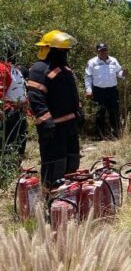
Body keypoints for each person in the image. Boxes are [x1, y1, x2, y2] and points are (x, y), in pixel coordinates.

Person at [27, 30, 82, 188]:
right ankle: (51, 200)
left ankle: (70, 197)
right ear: (49, 50)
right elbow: (36, 97)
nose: (64, 54)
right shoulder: (39, 68)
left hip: (69, 126)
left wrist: (78, 111)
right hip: (53, 128)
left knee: (72, 161)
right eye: (62, 51)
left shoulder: (65, 68)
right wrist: (46, 121)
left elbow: (71, 94)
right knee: (54, 165)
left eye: (66, 51)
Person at [84, 42, 125, 139]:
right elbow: (88, 77)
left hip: (112, 91)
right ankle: (100, 135)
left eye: (105, 50)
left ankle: (116, 134)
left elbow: (118, 73)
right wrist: (89, 90)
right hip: (98, 91)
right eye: (101, 51)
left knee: (114, 112)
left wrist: (123, 73)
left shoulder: (113, 60)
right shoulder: (92, 62)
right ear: (97, 51)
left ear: (107, 50)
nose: (103, 52)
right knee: (99, 113)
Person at [2, 42, 29, 161]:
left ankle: (17, 167)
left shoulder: (15, 69)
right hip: (9, 113)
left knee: (20, 140)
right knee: (9, 143)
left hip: (20, 112)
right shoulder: (2, 68)